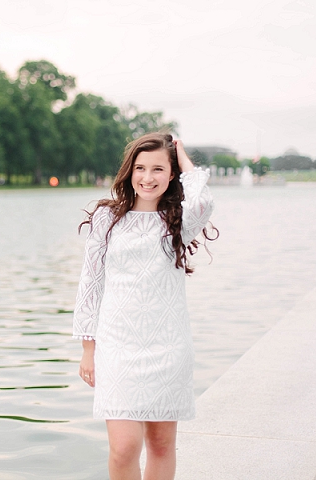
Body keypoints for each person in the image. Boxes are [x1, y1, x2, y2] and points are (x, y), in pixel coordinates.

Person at [73, 132, 217, 480]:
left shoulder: (177, 222)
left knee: (162, 445)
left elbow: (202, 202)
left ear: (171, 176)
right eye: (140, 168)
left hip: (168, 347)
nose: (147, 177)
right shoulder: (107, 220)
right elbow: (90, 286)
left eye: (158, 169)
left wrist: (182, 156)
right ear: (129, 171)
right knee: (123, 449)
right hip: (117, 346)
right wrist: (88, 350)